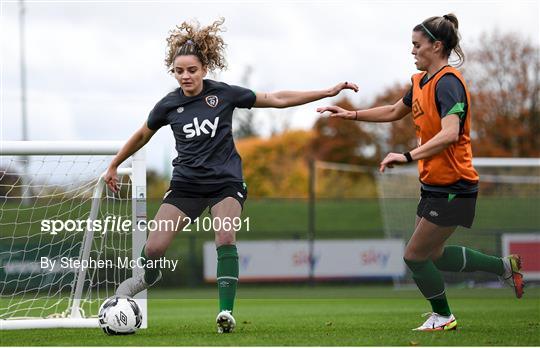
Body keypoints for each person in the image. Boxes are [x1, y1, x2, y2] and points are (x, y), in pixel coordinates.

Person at [103, 18, 358, 334]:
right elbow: (143, 135)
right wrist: (115, 163)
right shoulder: (168, 105)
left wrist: (327, 92)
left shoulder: (223, 95)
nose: (185, 76)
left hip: (226, 183)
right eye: (179, 71)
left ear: (205, 68)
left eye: (191, 70)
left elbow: (275, 99)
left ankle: (225, 313)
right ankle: (146, 278)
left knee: (224, 235)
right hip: (186, 185)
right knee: (154, 249)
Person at [317, 13, 524, 331]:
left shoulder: (448, 83)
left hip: (455, 185)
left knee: (414, 256)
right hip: (434, 184)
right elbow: (392, 110)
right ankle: (503, 268)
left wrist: (407, 155)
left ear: (436, 46)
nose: (412, 51)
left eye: (417, 45)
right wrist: (350, 114)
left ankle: (444, 316)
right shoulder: (419, 82)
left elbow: (450, 133)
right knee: (434, 254)